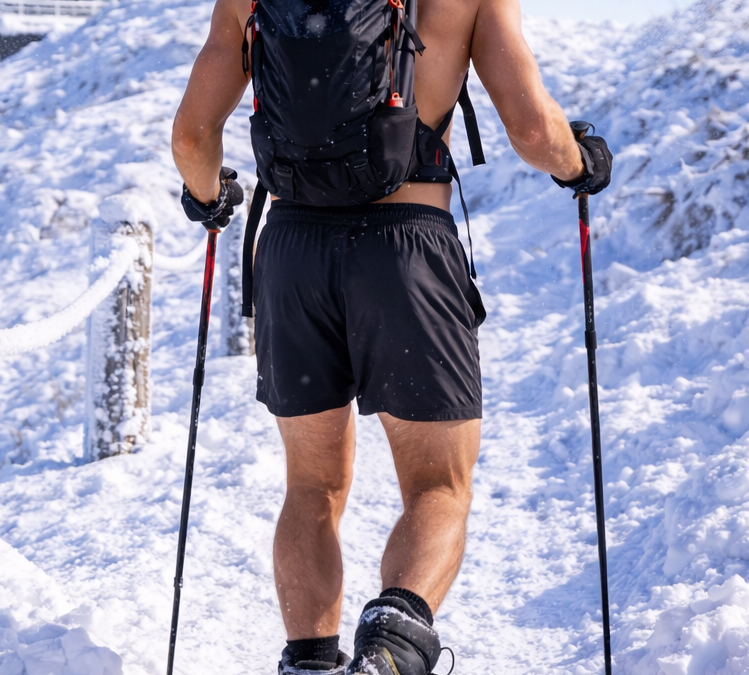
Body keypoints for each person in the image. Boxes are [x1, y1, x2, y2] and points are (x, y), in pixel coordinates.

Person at [170, 0, 613, 673]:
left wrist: (209, 197)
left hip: (290, 254)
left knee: (311, 484)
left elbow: (192, 136)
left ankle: (310, 662)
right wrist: (579, 161)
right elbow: (528, 125)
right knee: (437, 484)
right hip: (403, 250)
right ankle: (390, 649)